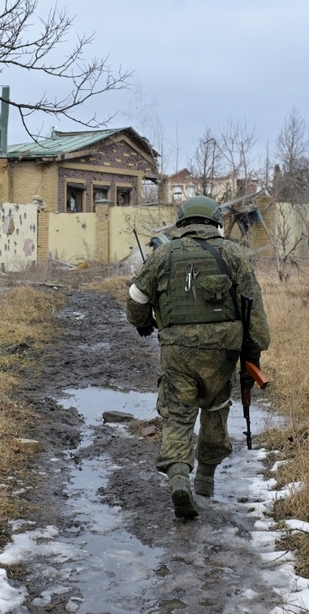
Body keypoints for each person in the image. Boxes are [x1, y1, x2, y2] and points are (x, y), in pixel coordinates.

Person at [125, 195, 270, 518]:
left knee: (178, 413)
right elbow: (254, 312)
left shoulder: (164, 254)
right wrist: (254, 356)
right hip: (222, 352)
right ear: (215, 222)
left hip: (178, 351)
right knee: (216, 408)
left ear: (183, 223)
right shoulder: (233, 254)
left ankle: (179, 477)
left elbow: (135, 299)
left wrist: (144, 322)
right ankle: (205, 479)